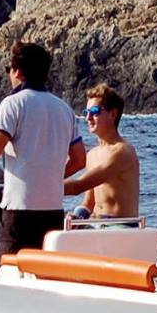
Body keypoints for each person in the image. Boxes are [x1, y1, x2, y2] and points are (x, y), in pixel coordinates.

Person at [0, 42, 84, 254]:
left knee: (10, 267)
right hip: (53, 210)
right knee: (45, 268)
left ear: (18, 72)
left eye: (9, 69)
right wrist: (50, 176)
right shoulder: (64, 109)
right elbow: (80, 160)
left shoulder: (12, 103)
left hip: (19, 209)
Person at [63, 82, 139, 221]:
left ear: (113, 114)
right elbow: (89, 203)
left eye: (94, 112)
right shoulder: (92, 154)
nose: (88, 118)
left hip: (120, 226)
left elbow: (78, 186)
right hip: (96, 223)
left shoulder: (122, 152)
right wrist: (78, 216)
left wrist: (40, 187)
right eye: (86, 112)